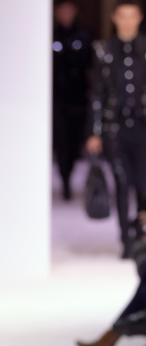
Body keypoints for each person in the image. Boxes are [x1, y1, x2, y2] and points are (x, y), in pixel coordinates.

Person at [87, 0, 146, 255]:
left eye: (132, 16)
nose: (127, 21)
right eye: (123, 16)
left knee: (143, 184)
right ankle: (125, 239)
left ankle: (140, 233)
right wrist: (94, 131)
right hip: (115, 128)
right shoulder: (104, 50)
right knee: (122, 182)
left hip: (143, 128)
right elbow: (97, 93)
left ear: (140, 17)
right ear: (114, 18)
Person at [53, 1, 94, 200]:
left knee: (75, 141)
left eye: (69, 10)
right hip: (56, 98)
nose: (66, 14)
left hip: (78, 97)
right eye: (62, 10)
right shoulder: (50, 36)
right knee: (61, 142)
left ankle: (70, 174)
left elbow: (91, 67)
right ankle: (65, 180)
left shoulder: (84, 37)